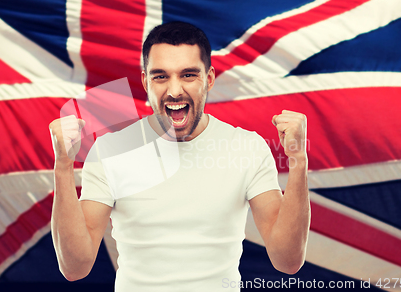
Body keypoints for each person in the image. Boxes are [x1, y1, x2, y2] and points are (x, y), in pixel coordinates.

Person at [49, 21, 310, 291]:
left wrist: (298, 161)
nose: (174, 91)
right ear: (145, 81)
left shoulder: (247, 148)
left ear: (208, 79)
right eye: (161, 76)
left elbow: (287, 260)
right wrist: (63, 167)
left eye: (188, 75)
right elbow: (75, 267)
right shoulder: (110, 151)